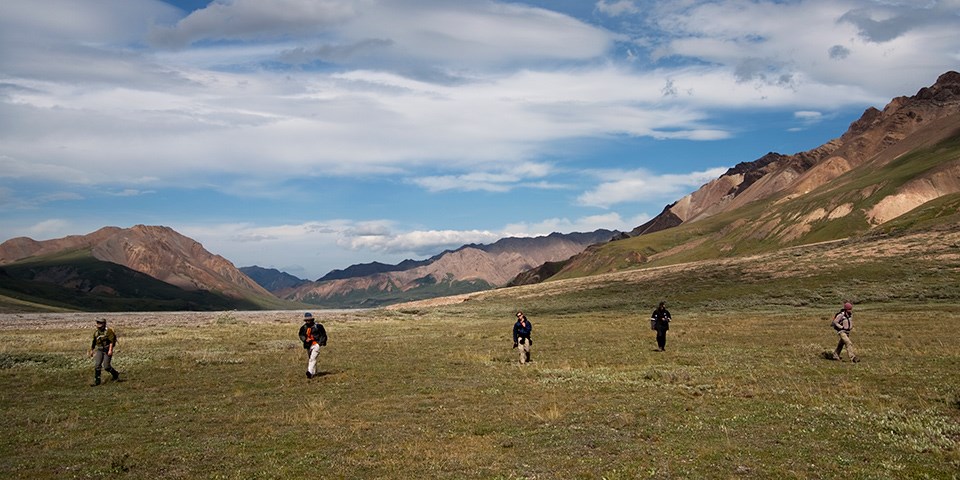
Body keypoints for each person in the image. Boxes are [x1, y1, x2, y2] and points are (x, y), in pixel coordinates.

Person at [88, 318, 120, 386]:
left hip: (107, 349)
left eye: (100, 323)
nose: (99, 324)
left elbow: (111, 341)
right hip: (99, 350)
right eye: (98, 323)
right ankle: (97, 381)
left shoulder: (108, 331)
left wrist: (110, 350)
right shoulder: (96, 333)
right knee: (97, 365)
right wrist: (92, 350)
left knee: (106, 366)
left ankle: (115, 374)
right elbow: (93, 342)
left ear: (104, 324)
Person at [298, 312, 327, 378]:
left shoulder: (318, 326)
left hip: (316, 344)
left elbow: (323, 335)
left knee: (312, 358)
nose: (308, 321)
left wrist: (320, 343)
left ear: (312, 320)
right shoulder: (303, 328)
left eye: (309, 320)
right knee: (311, 358)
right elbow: (301, 335)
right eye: (307, 320)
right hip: (308, 345)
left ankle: (309, 372)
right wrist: (305, 339)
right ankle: (313, 372)